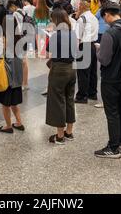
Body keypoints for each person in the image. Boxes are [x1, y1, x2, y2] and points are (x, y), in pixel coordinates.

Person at [94, 3, 121, 158]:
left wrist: (99, 50)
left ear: (107, 14)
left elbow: (105, 59)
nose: (104, 20)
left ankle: (113, 148)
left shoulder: (110, 33)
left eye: (103, 17)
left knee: (112, 112)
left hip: (111, 77)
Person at [46, 9, 77, 144]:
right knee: (69, 99)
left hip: (59, 69)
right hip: (72, 68)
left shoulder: (56, 35)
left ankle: (59, 136)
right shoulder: (72, 33)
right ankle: (69, 132)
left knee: (57, 100)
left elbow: (48, 51)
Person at [0, 15, 25, 134]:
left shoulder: (3, 39)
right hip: (17, 78)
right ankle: (19, 123)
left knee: (5, 104)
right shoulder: (19, 39)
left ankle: (8, 126)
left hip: (6, 77)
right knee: (14, 102)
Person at [74, 0, 99, 104]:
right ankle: (92, 93)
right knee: (93, 71)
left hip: (84, 46)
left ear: (81, 7)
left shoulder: (81, 19)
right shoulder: (94, 17)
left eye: (79, 5)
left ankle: (82, 96)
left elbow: (77, 37)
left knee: (83, 72)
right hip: (93, 45)